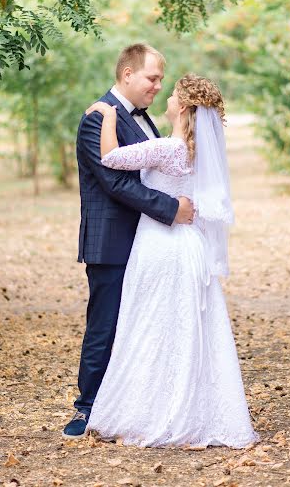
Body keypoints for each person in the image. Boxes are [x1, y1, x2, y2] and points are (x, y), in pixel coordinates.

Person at [84, 73, 260, 448]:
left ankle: (157, 411)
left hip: (161, 246)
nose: (164, 95)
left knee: (152, 326)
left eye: (173, 93)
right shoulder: (194, 150)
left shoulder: (169, 148)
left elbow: (111, 159)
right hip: (189, 246)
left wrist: (108, 114)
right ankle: (196, 408)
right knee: (187, 328)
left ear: (182, 107)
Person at [63, 44, 194, 439]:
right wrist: (172, 209)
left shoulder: (144, 120)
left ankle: (130, 404)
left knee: (139, 326)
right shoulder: (97, 118)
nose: (158, 86)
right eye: (152, 78)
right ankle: (87, 408)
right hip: (112, 242)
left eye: (159, 80)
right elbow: (114, 181)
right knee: (105, 324)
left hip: (146, 242)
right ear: (127, 75)